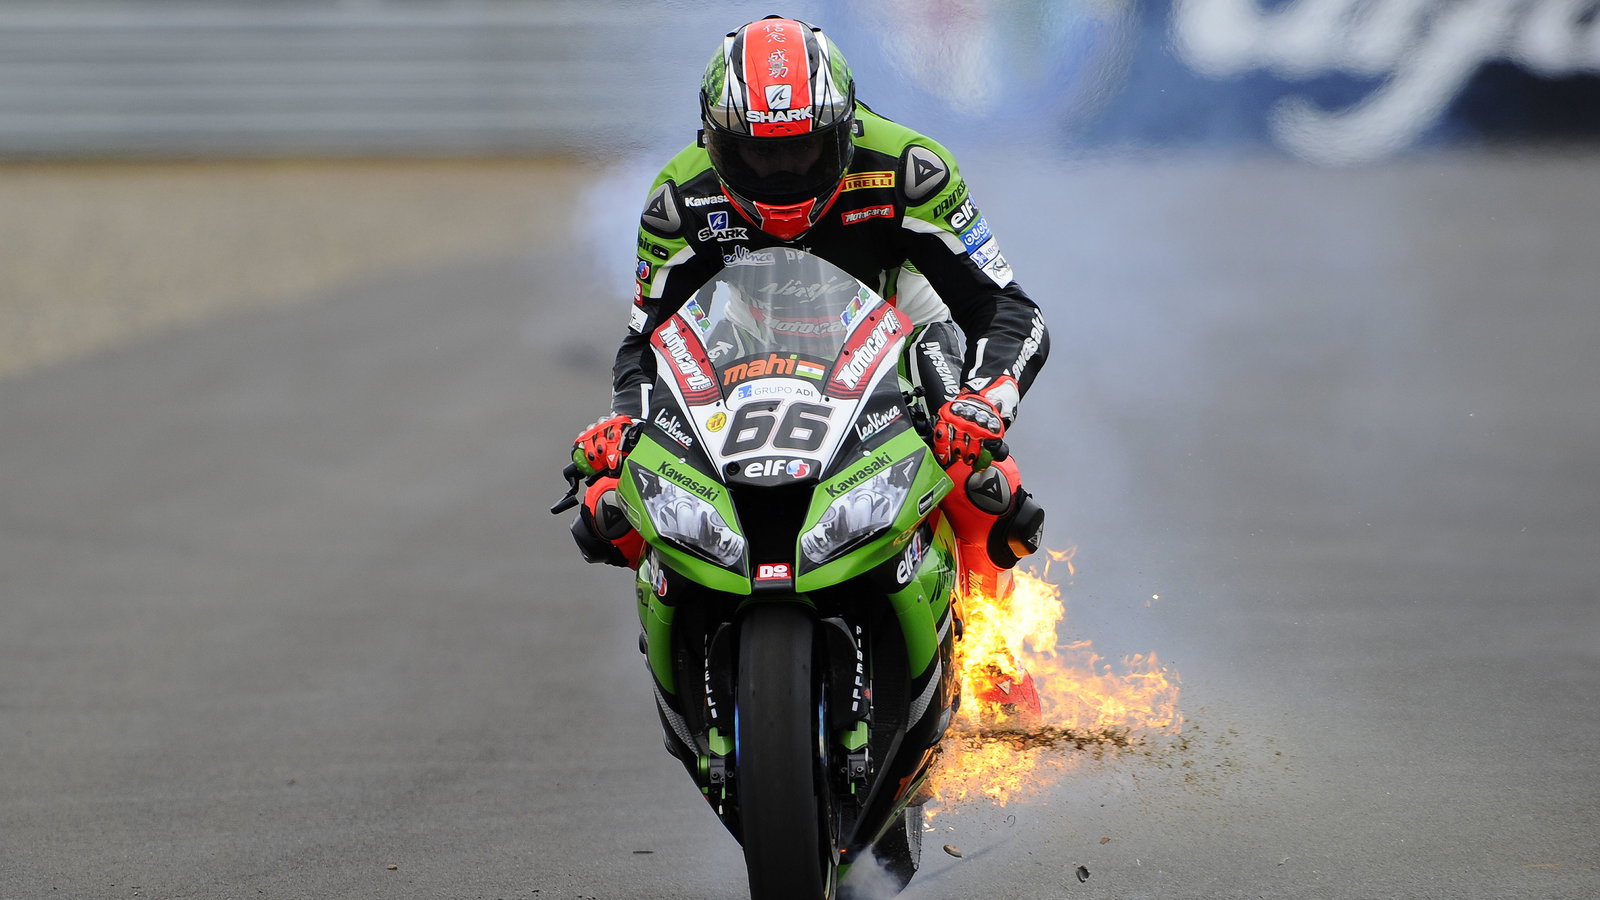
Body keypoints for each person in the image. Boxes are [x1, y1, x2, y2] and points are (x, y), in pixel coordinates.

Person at [569, 15, 1048, 605]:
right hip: (737, 369)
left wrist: (982, 398)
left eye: (805, 150)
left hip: (897, 346)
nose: (782, 173)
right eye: (755, 156)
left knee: (983, 487)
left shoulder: (911, 170)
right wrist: (623, 424)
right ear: (713, 141)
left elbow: (1005, 305)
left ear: (844, 129)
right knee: (608, 508)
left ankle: (991, 661)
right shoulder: (680, 200)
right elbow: (644, 342)